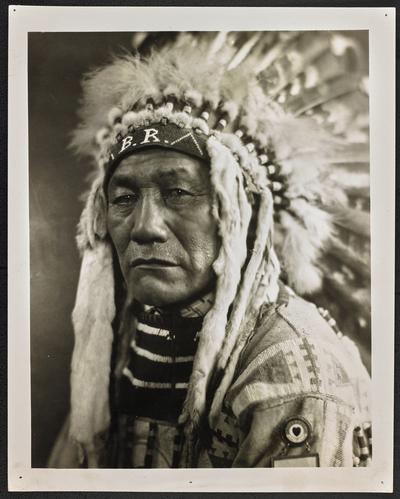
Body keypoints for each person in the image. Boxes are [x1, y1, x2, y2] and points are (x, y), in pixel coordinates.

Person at [48, 32, 371, 468]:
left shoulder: (293, 369)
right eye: (123, 199)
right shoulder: (119, 341)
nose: (144, 228)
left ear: (241, 215)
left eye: (177, 192)